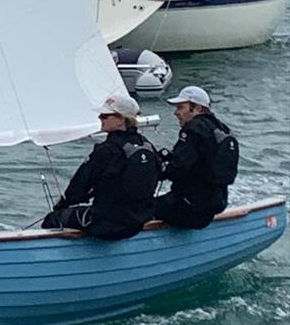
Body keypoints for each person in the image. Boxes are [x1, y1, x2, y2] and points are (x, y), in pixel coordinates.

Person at [41, 93, 159, 240]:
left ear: (121, 120)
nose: (99, 119)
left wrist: (62, 205)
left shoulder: (107, 150)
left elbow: (80, 185)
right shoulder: (148, 146)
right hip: (140, 220)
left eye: (104, 116)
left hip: (109, 224)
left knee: (53, 219)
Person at [153, 86, 237, 229]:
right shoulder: (222, 129)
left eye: (180, 107)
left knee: (141, 208)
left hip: (190, 208)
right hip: (216, 203)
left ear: (197, 108)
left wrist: (154, 170)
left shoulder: (193, 128)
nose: (176, 113)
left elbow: (178, 168)